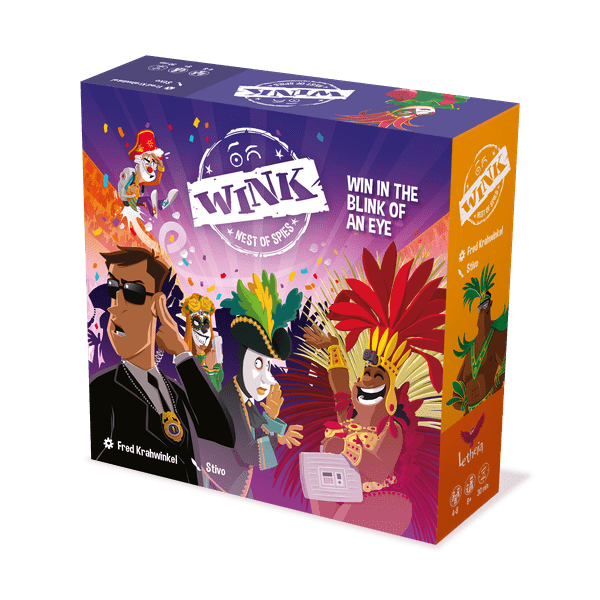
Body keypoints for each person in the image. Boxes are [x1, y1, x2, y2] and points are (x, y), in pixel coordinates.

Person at [88, 246, 235, 485]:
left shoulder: (176, 390)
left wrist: (182, 355)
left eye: (133, 292)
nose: (115, 306)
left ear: (158, 305)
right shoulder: (100, 389)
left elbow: (221, 435)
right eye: (113, 288)